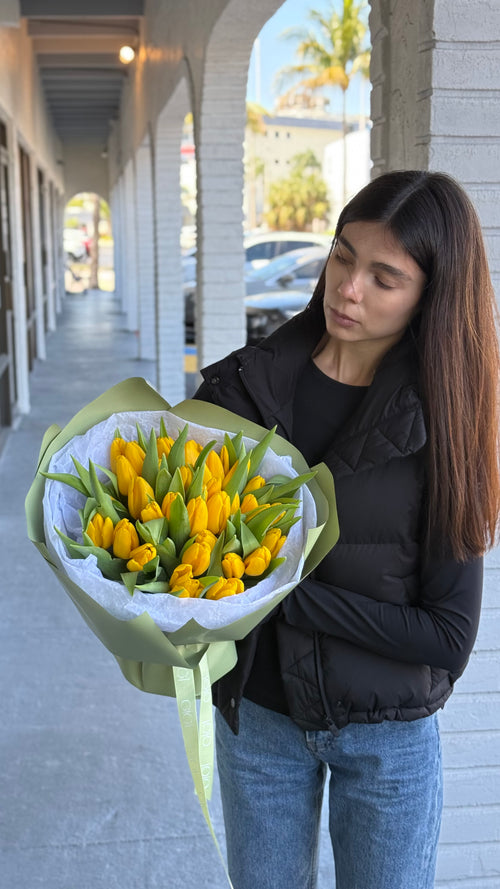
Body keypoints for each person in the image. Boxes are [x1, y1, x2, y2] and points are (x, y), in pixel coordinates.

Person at [194, 170, 500, 889]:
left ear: (430, 294)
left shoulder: (446, 424)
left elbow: (448, 638)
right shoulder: (243, 389)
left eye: (383, 277)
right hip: (260, 719)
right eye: (341, 255)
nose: (347, 287)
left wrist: (278, 590)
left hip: (388, 738)